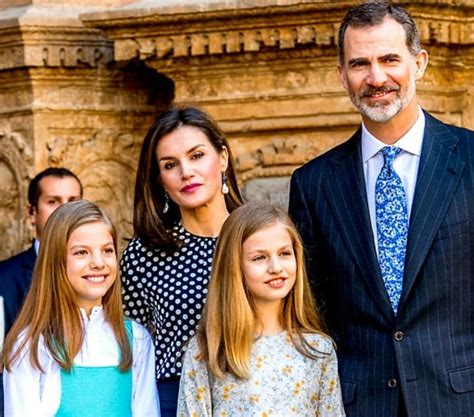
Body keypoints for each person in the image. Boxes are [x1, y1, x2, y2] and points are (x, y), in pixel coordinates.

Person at [289, 2, 474, 417]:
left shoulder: (471, 158)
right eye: (360, 64)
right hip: (360, 405)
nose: (376, 78)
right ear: (342, 74)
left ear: (419, 62)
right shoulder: (313, 184)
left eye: (390, 59)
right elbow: (310, 312)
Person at [120, 106, 243, 416]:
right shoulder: (143, 254)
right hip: (172, 397)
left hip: (254, 391)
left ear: (223, 158)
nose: (186, 172)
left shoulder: (259, 238)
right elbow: (133, 347)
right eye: (170, 164)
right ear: (160, 179)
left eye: (197, 155)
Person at [176, 202, 345, 416]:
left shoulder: (318, 349)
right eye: (259, 258)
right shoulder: (209, 350)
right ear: (233, 265)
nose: (276, 267)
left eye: (284, 253)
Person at [3, 200, 159, 417]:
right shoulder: (31, 345)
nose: (98, 262)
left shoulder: (137, 341)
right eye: (81, 253)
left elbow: (146, 411)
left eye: (107, 250)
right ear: (56, 261)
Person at [0, 167, 82, 416]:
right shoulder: (3, 278)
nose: (64, 210)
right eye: (53, 201)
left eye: (73, 202)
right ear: (31, 212)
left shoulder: (101, 274)